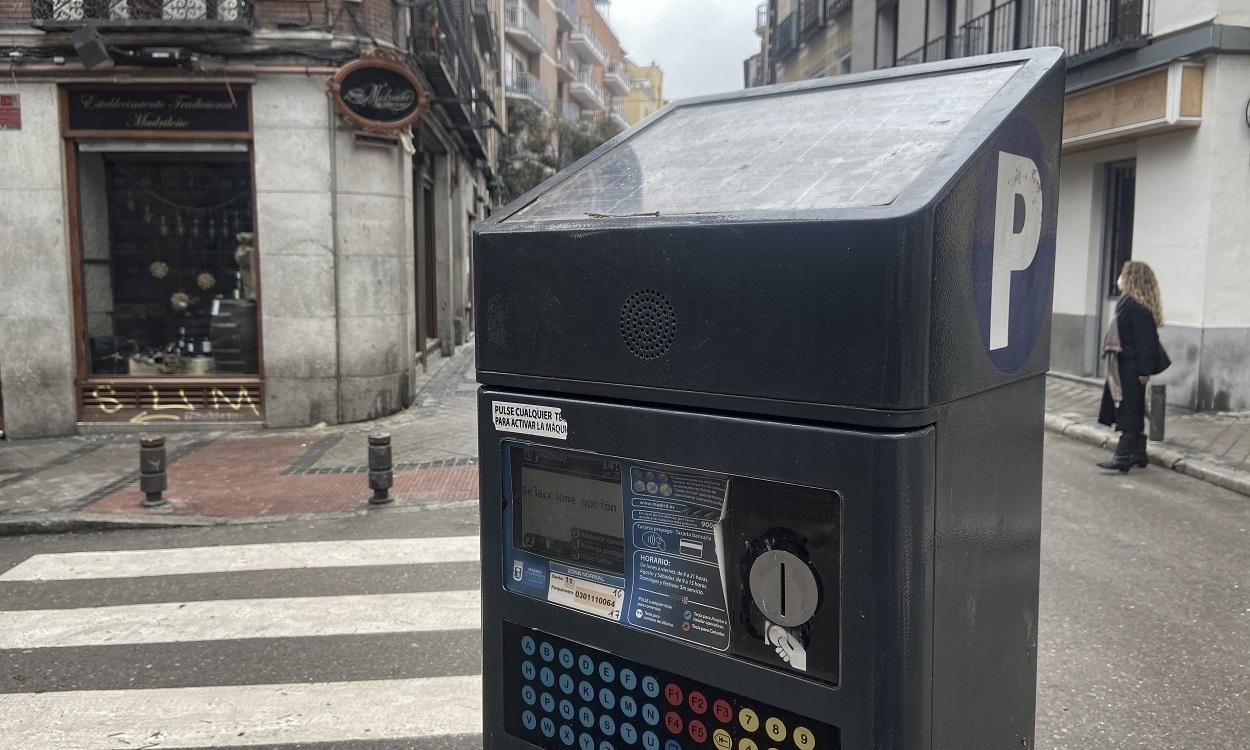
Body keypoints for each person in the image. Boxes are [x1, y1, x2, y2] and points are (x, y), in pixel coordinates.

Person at [1097, 260, 1170, 472]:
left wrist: (1144, 372)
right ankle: (1139, 453)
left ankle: (1122, 457)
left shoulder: (1134, 305)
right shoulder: (1130, 302)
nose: (1119, 278)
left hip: (1132, 368)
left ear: (1132, 278)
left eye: (1123, 274)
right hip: (1126, 366)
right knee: (1134, 409)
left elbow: (1146, 342)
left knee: (1128, 410)